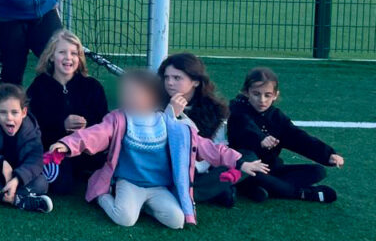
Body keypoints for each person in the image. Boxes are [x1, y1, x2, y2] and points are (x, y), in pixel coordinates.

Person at [48, 69, 263, 229]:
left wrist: (240, 162)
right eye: (127, 94)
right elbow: (94, 134)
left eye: (137, 94)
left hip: (158, 187)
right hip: (129, 183)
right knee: (125, 220)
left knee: (177, 221)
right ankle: (100, 195)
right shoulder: (118, 119)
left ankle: (145, 206)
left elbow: (206, 146)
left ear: (152, 98)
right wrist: (66, 145)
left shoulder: (169, 124)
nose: (130, 98)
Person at [227, 67, 343, 203]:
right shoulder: (237, 111)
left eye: (267, 95)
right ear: (247, 93)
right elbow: (245, 127)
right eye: (256, 94)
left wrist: (327, 154)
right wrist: (261, 139)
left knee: (318, 171)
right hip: (247, 168)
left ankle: (266, 189)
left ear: (275, 95)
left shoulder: (276, 116)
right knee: (255, 176)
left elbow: (297, 137)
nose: (262, 100)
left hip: (272, 168)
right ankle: (302, 194)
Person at [25, 30, 108, 195]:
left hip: (85, 149)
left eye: (74, 53)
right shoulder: (39, 86)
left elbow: (103, 122)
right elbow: (32, 122)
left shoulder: (92, 86)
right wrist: (61, 124)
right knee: (61, 187)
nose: (68, 58)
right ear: (51, 56)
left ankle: (88, 172)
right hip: (54, 149)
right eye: (62, 52)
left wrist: (87, 125)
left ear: (80, 58)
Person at [158, 52, 237, 206]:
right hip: (166, 166)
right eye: (167, 77)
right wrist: (171, 114)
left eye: (177, 78)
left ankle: (194, 191)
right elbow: (155, 140)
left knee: (242, 161)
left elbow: (208, 148)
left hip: (198, 168)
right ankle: (208, 191)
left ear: (195, 81)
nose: (170, 83)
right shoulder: (155, 102)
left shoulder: (213, 109)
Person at [0, 84, 53, 213]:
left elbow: (35, 160)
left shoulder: (31, 131)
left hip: (20, 178)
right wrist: (0, 163)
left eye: (14, 112)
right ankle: (21, 200)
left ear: (24, 112)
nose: (9, 117)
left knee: (41, 182)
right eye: (3, 112)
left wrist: (17, 179)